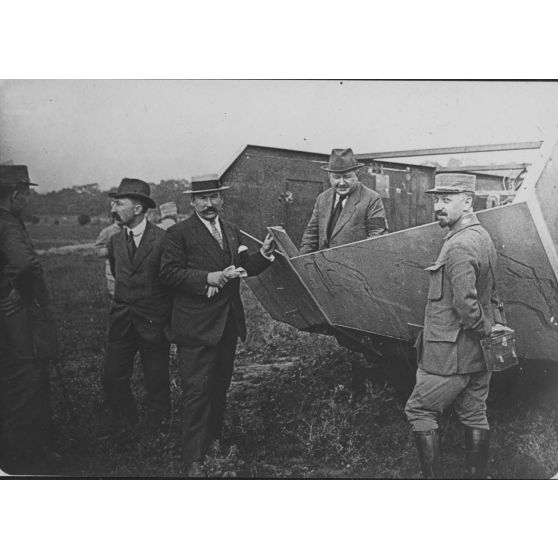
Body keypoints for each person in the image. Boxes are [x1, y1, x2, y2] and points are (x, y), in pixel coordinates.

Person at [160, 174, 276, 477]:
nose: (209, 204)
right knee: (196, 391)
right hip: (196, 327)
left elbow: (241, 267)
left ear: (221, 199)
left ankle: (214, 443)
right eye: (202, 198)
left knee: (218, 388)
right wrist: (208, 278)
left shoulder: (231, 230)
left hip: (227, 325)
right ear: (192, 202)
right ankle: (194, 459)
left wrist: (262, 256)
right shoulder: (178, 234)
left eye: (214, 197)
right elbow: (169, 274)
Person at [404, 173, 511, 479]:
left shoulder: (459, 245)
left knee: (420, 410)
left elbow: (466, 305)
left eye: (446, 200)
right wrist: (492, 332)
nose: (438, 206)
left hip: (452, 354)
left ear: (467, 201)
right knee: (474, 411)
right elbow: (490, 294)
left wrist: (485, 330)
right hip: (478, 355)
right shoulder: (480, 236)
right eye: (436, 199)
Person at [101, 178, 172, 436]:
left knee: (156, 379)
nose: (114, 208)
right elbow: (119, 272)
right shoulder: (115, 242)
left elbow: (170, 281)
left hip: (153, 322)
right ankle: (125, 422)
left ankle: (158, 429)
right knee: (112, 376)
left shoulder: (164, 240)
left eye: (119, 203)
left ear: (138, 208)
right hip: (121, 320)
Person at [0, 165, 58, 474]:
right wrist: (16, 292)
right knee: (25, 382)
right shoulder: (8, 223)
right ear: (15, 195)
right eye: (27, 194)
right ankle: (19, 460)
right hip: (19, 321)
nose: (29, 200)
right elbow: (24, 263)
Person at [299, 147, 387, 254]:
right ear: (329, 176)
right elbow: (311, 236)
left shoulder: (372, 199)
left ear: (357, 174)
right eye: (336, 177)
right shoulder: (322, 198)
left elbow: (377, 241)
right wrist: (302, 265)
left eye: (347, 177)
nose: (341, 183)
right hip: (324, 267)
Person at [94, 217, 122, 296]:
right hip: (113, 272)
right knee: (115, 296)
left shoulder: (132, 230)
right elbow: (97, 251)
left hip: (130, 272)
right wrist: (111, 251)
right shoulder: (107, 231)